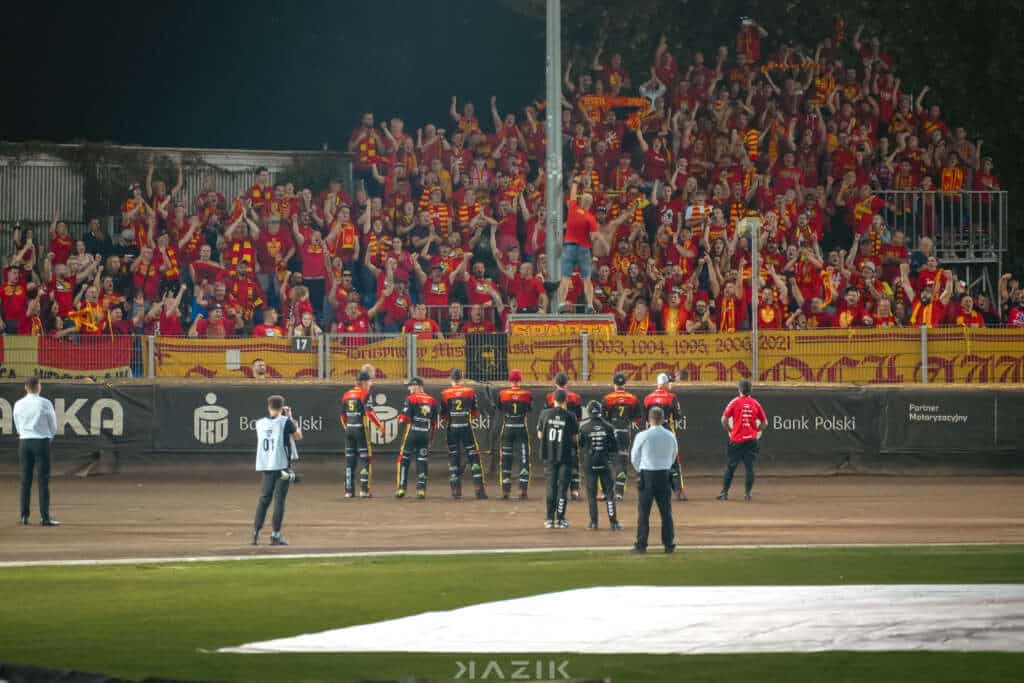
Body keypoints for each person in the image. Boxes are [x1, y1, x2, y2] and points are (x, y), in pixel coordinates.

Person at [252, 395, 303, 546]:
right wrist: (290, 417)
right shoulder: (285, 421)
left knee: (264, 499)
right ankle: (275, 535)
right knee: (279, 501)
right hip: (281, 466)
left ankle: (255, 533)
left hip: (266, 466)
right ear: (282, 407)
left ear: (269, 406)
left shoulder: (259, 423)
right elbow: (298, 436)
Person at [630, 406, 677, 554]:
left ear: (649, 419)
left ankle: (641, 544)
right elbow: (674, 455)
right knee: (666, 512)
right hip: (664, 474)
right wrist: (665, 466)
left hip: (647, 475)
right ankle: (668, 544)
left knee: (644, 512)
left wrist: (640, 469)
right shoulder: (670, 435)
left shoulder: (642, 435)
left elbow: (634, 457)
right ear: (663, 419)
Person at [13, 377, 59, 526]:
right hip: (41, 442)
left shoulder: (18, 404)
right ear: (39, 387)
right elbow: (53, 425)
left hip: (24, 442)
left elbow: (17, 424)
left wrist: (24, 434)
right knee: (43, 480)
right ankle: (45, 518)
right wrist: (49, 437)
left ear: (26, 387)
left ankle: (24, 516)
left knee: (25, 480)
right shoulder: (45, 403)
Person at [440, 368, 487, 499]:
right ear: (462, 378)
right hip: (466, 427)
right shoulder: (470, 392)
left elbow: (443, 415)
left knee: (453, 456)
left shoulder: (445, 393)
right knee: (473, 456)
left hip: (452, 428)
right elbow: (475, 413)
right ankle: (479, 489)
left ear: (451, 379)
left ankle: (455, 490)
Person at [718, 379, 768, 501]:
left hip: (736, 440)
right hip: (751, 440)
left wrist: (730, 430)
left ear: (739, 390)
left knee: (730, 467)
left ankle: (724, 493)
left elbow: (723, 420)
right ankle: (747, 494)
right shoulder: (755, 403)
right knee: (749, 468)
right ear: (751, 390)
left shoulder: (734, 402)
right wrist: (756, 429)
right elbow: (765, 423)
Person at [537, 389, 579, 529]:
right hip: (565, 457)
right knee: (563, 489)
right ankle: (560, 519)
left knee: (551, 487)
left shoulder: (544, 414)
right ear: (566, 400)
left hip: (549, 456)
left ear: (553, 400)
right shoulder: (571, 416)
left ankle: (549, 519)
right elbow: (574, 437)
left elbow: (539, 435)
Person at [578, 401, 623, 530]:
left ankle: (593, 523)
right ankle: (613, 523)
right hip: (605, 463)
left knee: (591, 495)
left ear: (589, 412)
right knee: (609, 493)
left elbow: (580, 445)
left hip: (589, 464)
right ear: (600, 411)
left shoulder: (584, 427)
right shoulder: (609, 427)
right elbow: (615, 447)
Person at [340, 370, 384, 498]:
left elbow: (342, 416)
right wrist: (380, 426)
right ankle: (364, 490)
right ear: (364, 382)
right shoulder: (365, 393)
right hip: (361, 429)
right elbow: (370, 412)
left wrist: (347, 428)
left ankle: (348, 491)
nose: (371, 384)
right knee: (366, 459)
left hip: (349, 430)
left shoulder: (346, 394)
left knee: (350, 461)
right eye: (370, 381)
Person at [642, 373, 686, 500]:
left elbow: (644, 418)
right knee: (673, 460)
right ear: (665, 383)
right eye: (669, 383)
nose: (670, 385)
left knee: (651, 460)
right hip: (666, 430)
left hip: (651, 432)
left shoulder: (648, 398)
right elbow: (678, 416)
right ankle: (678, 490)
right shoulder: (671, 397)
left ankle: (650, 490)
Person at [396, 377, 439, 499]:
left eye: (411, 386)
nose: (409, 388)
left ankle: (401, 488)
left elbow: (404, 419)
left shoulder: (411, 398)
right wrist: (431, 438)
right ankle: (421, 490)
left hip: (412, 433)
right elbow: (435, 424)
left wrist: (399, 418)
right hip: (425, 434)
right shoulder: (432, 400)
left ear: (418, 386)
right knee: (422, 461)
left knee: (404, 460)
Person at [602, 372, 641, 501]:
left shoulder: (607, 398)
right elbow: (638, 418)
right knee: (622, 462)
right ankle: (619, 492)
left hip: (610, 432)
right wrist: (627, 420)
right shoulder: (633, 398)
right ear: (625, 384)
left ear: (614, 384)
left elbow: (602, 418)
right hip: (624, 432)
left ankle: (606, 492)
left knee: (607, 461)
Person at [545, 372, 583, 500]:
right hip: (570, 434)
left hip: (554, 434)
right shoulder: (576, 397)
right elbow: (579, 418)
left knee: (554, 461)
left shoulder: (549, 397)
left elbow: (546, 416)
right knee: (573, 461)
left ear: (555, 383)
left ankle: (556, 490)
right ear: (567, 383)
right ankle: (574, 490)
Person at [497, 369, 534, 499]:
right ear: (520, 380)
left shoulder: (502, 394)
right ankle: (522, 489)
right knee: (524, 458)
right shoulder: (527, 394)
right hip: (521, 428)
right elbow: (529, 409)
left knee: (505, 458)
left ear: (510, 380)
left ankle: (505, 490)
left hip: (507, 427)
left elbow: (500, 408)